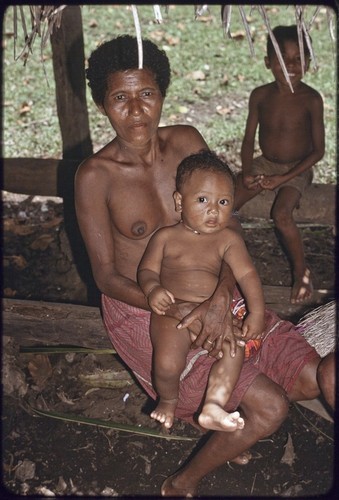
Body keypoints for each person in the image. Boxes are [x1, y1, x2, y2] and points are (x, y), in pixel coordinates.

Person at [74, 35, 334, 497]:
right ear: (101, 103)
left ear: (163, 94)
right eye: (120, 98)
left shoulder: (187, 142)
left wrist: (218, 299)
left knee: (318, 378)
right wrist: (177, 311)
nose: (136, 111)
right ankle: (181, 482)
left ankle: (228, 417)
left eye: (147, 94)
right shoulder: (96, 176)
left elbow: (228, 227)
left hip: (217, 290)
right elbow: (107, 277)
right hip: (144, 310)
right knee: (270, 409)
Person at [138, 150, 264, 431]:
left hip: (216, 315)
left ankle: (214, 405)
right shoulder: (166, 237)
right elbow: (146, 270)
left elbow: (247, 274)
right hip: (174, 316)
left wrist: (257, 312)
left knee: (234, 350)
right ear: (179, 202)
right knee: (168, 363)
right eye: (203, 200)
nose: (213, 210)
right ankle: (169, 400)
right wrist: (153, 288)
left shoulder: (228, 240)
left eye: (223, 202)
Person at [234, 25, 325, 305]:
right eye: (282, 59)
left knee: (282, 215)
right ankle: (227, 263)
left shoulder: (311, 99)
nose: (291, 66)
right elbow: (248, 140)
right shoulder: (260, 96)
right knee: (227, 203)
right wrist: (249, 171)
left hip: (297, 168)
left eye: (298, 59)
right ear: (267, 62)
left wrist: (283, 178)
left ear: (308, 63)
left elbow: (319, 152)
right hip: (265, 163)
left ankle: (301, 271)